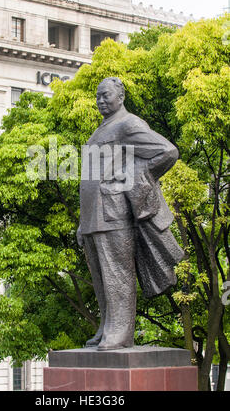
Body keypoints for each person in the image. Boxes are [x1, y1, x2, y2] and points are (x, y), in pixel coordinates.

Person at [77, 77, 184, 351]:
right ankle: (106, 327)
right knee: (101, 278)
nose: (101, 100)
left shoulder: (128, 124)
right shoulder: (100, 130)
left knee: (117, 274)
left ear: (120, 96)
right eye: (98, 96)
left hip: (114, 213)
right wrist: (82, 222)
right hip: (92, 216)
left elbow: (167, 152)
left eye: (106, 95)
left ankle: (120, 333)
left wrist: (133, 175)